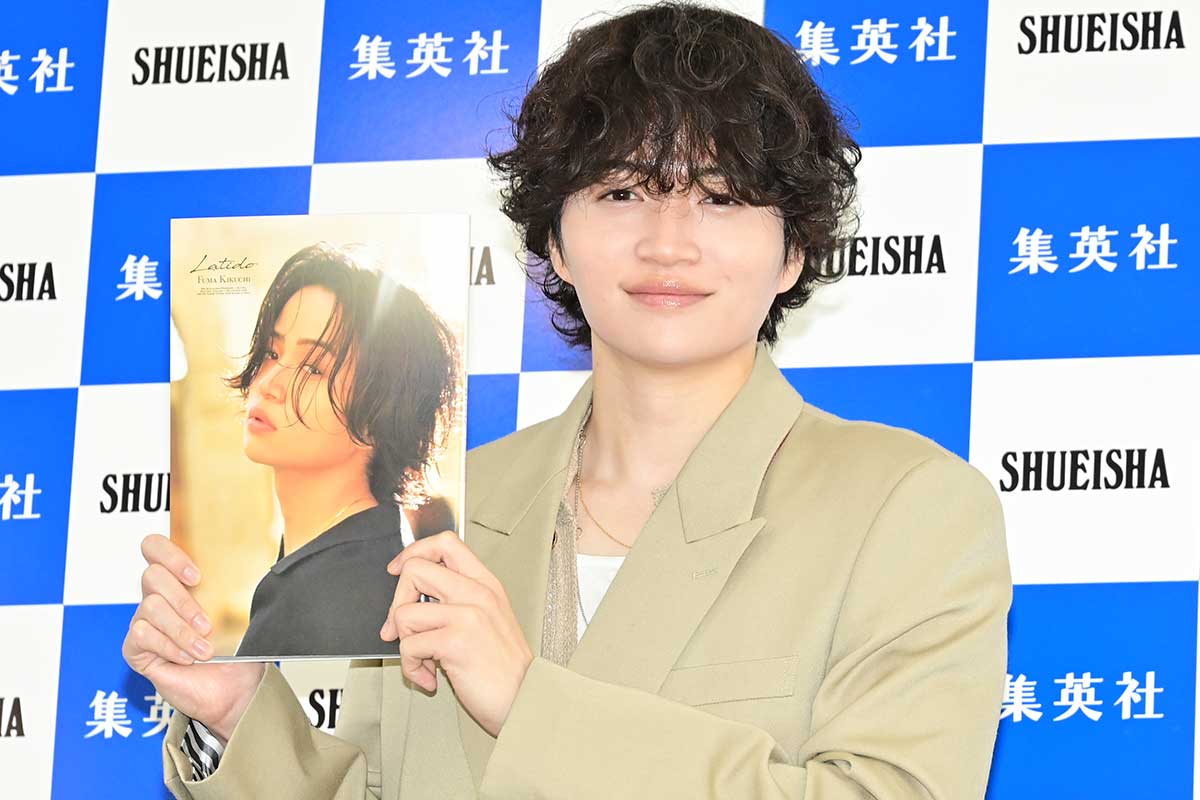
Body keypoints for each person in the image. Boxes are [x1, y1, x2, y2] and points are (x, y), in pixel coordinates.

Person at [125, 3, 1013, 797]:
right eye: (622, 192)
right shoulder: (441, 512)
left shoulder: (905, 507)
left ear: (793, 251)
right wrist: (235, 715)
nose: (668, 243)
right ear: (553, 237)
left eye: (720, 197)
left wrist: (527, 703)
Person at [187, 241, 458, 659]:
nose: (268, 383)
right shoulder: (338, 562)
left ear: (380, 413)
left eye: (313, 368)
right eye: (273, 352)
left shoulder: (335, 600)